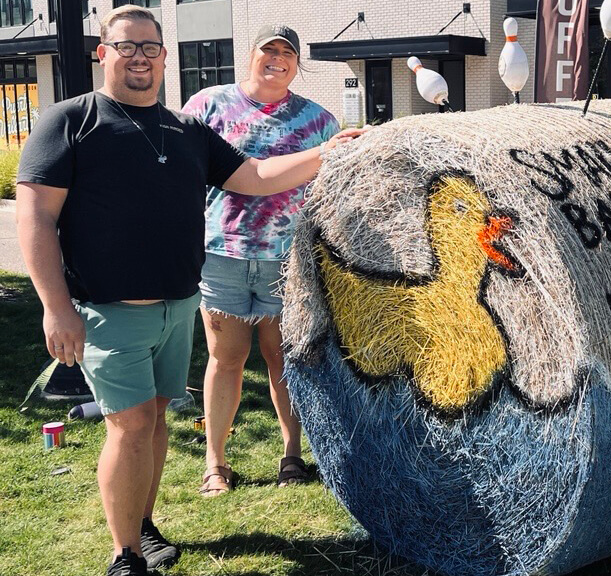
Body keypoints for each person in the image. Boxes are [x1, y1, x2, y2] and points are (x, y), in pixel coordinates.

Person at [14, 6, 363, 576]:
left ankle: (143, 527)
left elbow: (254, 178)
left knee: (152, 421)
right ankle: (125, 554)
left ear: (164, 56)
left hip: (179, 306)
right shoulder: (70, 121)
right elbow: (35, 219)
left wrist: (332, 150)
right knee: (127, 426)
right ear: (103, 53)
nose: (139, 58)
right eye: (126, 47)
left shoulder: (187, 130)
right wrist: (56, 308)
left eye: (150, 48)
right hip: (109, 310)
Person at [181, 25, 339, 497]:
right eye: (268, 49)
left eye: (287, 52)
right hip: (221, 254)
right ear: (249, 56)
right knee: (225, 359)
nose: (277, 58)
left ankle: (292, 453)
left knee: (282, 359)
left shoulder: (318, 120)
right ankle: (215, 462)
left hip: (285, 261)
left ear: (297, 64)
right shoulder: (207, 105)